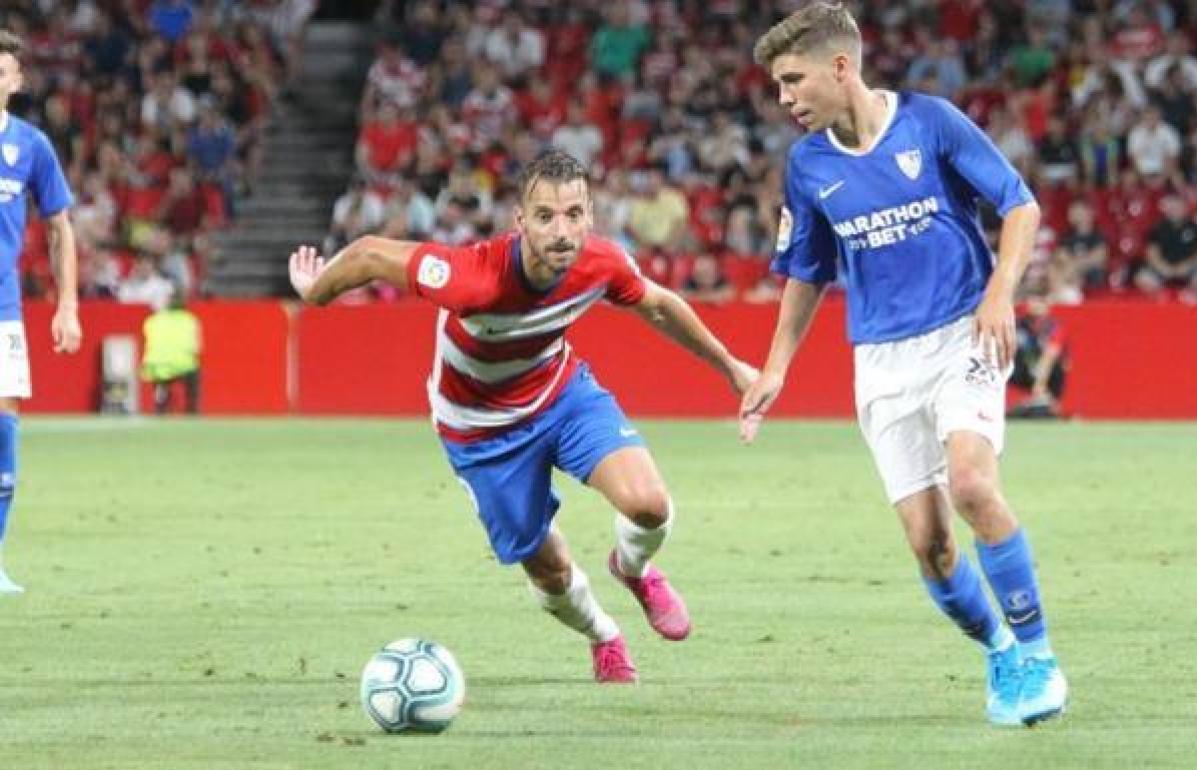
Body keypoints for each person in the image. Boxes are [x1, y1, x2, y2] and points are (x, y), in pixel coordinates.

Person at [288, 150, 757, 683]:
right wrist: (317, 290)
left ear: (591, 217)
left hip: (561, 396)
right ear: (520, 222)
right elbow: (371, 254)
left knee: (649, 505)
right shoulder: (473, 279)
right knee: (549, 569)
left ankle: (633, 570)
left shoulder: (599, 263)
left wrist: (732, 369)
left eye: (575, 215)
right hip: (481, 433)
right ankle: (604, 635)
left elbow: (658, 304)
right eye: (546, 216)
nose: (562, 232)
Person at [740, 4, 1066, 726]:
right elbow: (807, 271)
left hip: (963, 336)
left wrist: (1000, 294)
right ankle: (1000, 652)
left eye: (793, 81)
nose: (785, 99)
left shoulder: (931, 122)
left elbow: (1019, 205)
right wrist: (775, 368)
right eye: (778, 87)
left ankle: (1039, 655)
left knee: (973, 484)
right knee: (931, 544)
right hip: (882, 362)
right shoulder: (808, 166)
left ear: (840, 66)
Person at [0, 29, 82, 594]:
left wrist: (68, 305)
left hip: (2, 309)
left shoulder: (31, 146)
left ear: (17, 80)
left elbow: (59, 229)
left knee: (4, 431)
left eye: (3, 71)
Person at [141, 291, 202, 415]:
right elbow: (196, 348)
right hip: (183, 365)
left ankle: (160, 405)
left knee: (161, 380)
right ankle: (192, 410)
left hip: (156, 365)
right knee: (194, 372)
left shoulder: (153, 320)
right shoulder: (190, 320)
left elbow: (148, 340)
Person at [1008, 298, 1069, 419]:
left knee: (1058, 366)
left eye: (1040, 301)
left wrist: (1039, 385)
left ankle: (1051, 405)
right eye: (1033, 300)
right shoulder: (1019, 325)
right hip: (1024, 370)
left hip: (1049, 373)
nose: (1035, 305)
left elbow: (1049, 357)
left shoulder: (1054, 327)